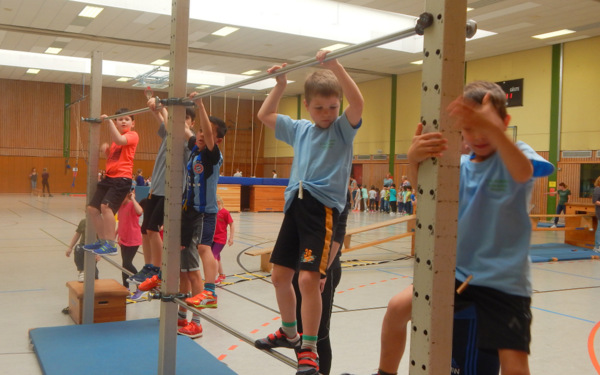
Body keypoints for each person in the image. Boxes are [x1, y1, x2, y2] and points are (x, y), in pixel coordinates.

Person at [354, 81, 554, 375]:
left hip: (504, 282)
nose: (478, 136)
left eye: (486, 126)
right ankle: (386, 372)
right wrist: (413, 159)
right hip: (457, 275)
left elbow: (523, 172)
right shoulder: (459, 166)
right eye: (469, 129)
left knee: (513, 360)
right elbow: (426, 197)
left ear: (505, 123)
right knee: (397, 308)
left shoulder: (518, 153)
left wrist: (493, 129)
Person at [253, 49, 363, 375]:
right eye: (319, 107)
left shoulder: (342, 130)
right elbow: (264, 115)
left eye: (332, 107)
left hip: (321, 210)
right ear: (307, 106)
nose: (327, 113)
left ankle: (309, 347)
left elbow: (357, 103)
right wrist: (280, 84)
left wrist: (335, 66)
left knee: (307, 280)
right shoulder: (300, 129)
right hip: (295, 207)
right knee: (279, 277)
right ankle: (289, 332)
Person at [127, 98, 194, 286]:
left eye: (185, 118)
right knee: (145, 230)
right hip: (155, 189)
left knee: (153, 228)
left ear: (192, 122)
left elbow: (172, 124)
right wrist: (155, 110)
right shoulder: (169, 134)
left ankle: (157, 268)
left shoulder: (189, 141)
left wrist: (164, 109)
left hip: (170, 192)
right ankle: (149, 265)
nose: (180, 121)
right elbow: (164, 123)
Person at [293, 192, 350, 375]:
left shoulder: (337, 186)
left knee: (319, 336)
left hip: (325, 268)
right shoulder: (305, 183)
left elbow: (338, 231)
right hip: (301, 265)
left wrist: (323, 270)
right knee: (301, 334)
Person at [83, 108, 139, 256]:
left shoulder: (132, 135)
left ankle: (110, 244)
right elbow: (115, 157)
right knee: (92, 209)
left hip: (122, 178)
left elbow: (120, 140)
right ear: (116, 122)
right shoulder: (116, 143)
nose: (123, 121)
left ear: (132, 123)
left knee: (106, 207)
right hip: (110, 177)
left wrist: (108, 121)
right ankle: (102, 241)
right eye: (120, 119)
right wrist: (107, 151)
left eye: (127, 119)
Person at [116, 188, 143, 289]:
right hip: (123, 239)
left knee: (127, 263)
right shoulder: (120, 207)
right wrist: (116, 234)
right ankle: (125, 286)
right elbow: (121, 222)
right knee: (124, 265)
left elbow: (140, 211)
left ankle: (140, 282)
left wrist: (133, 199)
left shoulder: (132, 205)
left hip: (133, 239)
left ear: (127, 195)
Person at [212, 195, 235, 284]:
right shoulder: (213, 212)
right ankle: (221, 274)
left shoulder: (225, 212)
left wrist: (231, 238)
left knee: (213, 257)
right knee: (217, 257)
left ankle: (212, 278)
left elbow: (232, 224)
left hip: (220, 239)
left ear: (219, 203)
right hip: (212, 238)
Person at [593, 176, 600, 252]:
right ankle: (597, 246)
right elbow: (595, 201)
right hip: (599, 211)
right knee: (599, 229)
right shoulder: (597, 189)